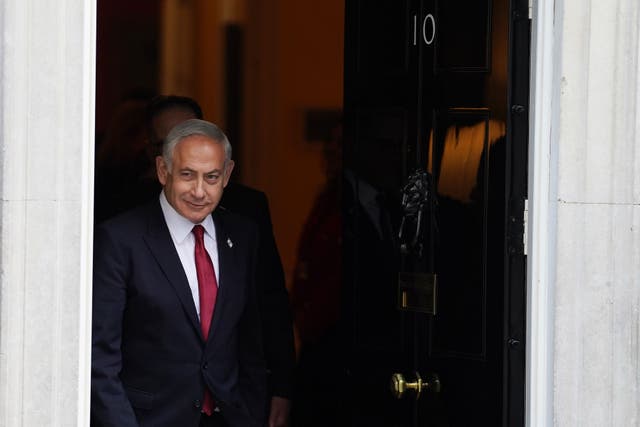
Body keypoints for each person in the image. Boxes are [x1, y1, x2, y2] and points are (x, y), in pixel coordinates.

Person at [91, 119, 267, 426]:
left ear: (226, 175)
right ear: (163, 170)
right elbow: (100, 358)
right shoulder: (120, 240)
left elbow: (251, 340)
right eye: (187, 175)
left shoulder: (243, 237)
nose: (199, 191)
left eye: (211, 177)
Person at [144, 95, 295, 427]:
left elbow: (267, 304)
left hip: (232, 408)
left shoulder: (246, 216)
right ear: (156, 159)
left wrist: (281, 385)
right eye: (166, 144)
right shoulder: (128, 226)